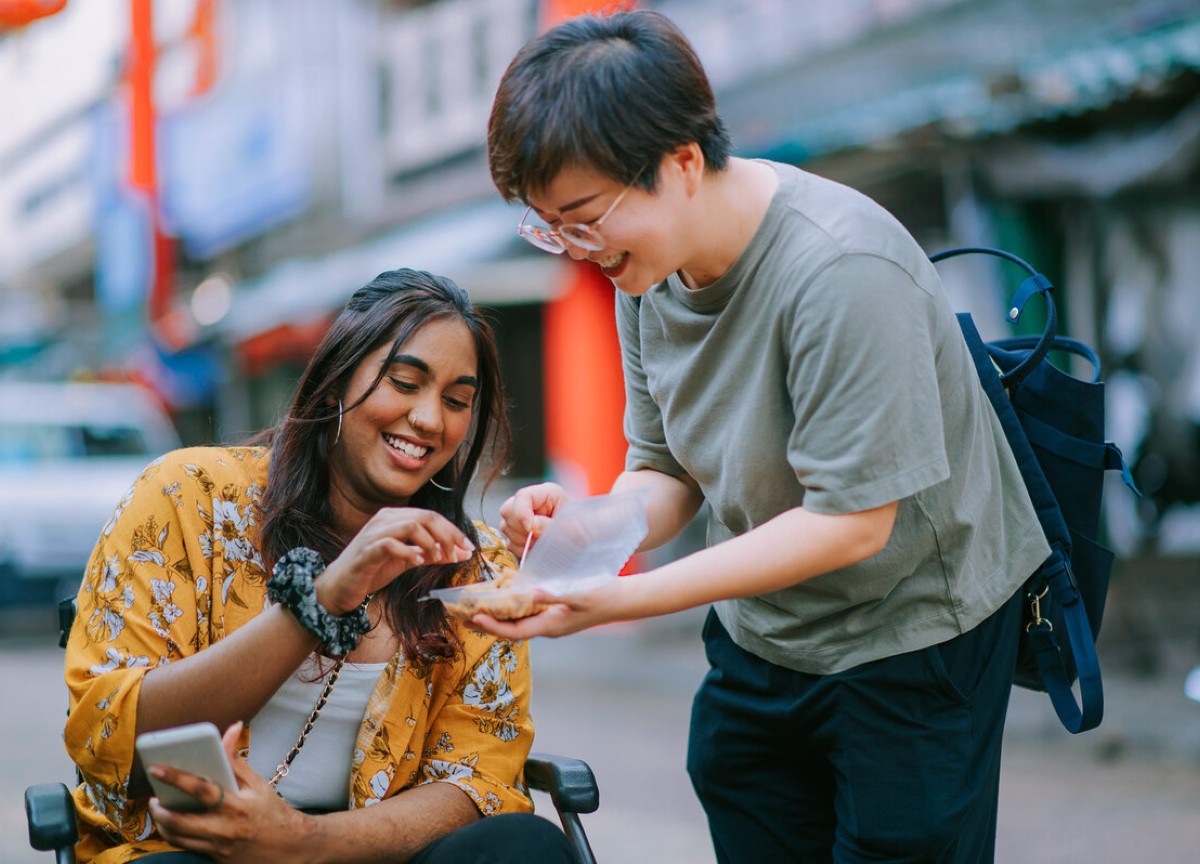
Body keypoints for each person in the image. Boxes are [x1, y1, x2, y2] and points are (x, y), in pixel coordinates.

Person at [480, 10, 1051, 864]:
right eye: (549, 225)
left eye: (583, 216)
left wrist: (623, 600)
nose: (572, 246)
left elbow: (854, 521)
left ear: (679, 164)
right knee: (737, 780)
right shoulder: (645, 272)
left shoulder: (839, 270)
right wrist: (584, 531)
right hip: (766, 635)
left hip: (912, 634)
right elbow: (664, 470)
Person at [62, 269, 576, 864]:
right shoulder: (188, 498)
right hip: (194, 849)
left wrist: (301, 842)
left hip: (364, 854)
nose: (431, 420)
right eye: (405, 383)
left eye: (457, 401)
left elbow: (477, 782)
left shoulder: (472, 568)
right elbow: (113, 734)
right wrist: (322, 601)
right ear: (335, 381)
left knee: (525, 846)